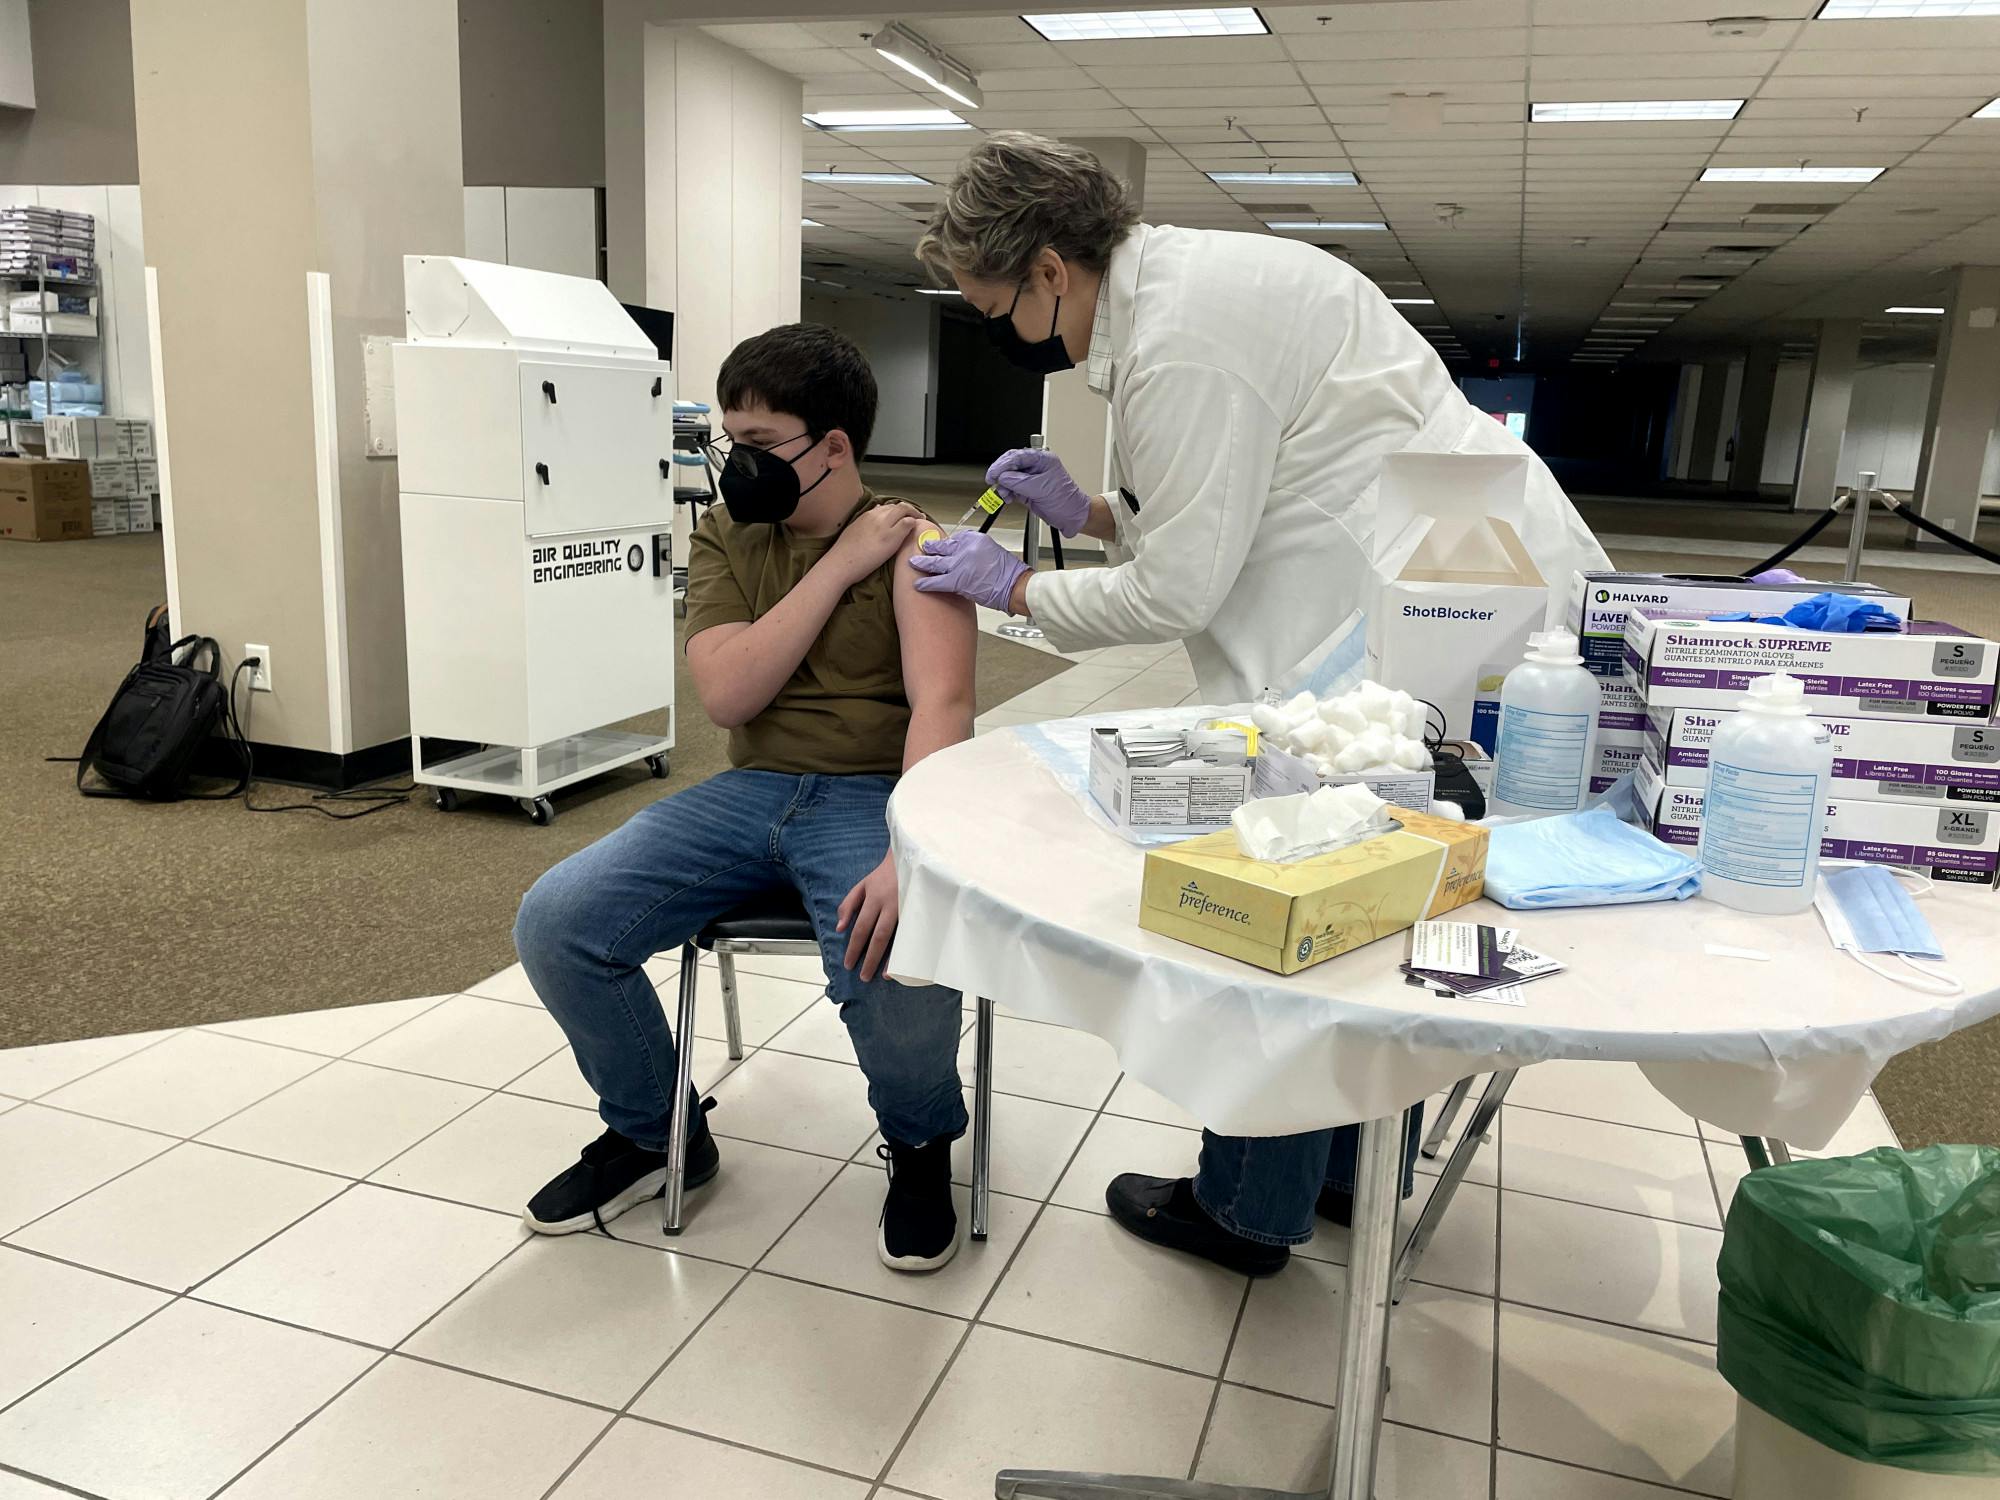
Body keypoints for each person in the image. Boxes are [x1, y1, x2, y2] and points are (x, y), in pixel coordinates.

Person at [908, 132, 1611, 1277]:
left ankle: (1247, 1206)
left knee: (1299, 900)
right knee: (1375, 900)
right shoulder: (1198, 283)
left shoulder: (1183, 338)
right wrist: (1094, 518)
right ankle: (1339, 1175)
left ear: (1048, 269)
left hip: (1393, 621)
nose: (1010, 338)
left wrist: (1020, 589)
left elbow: (1181, 583)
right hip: (1428, 598)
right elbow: (1226, 503)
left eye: (1000, 311)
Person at [513, 323, 977, 1272]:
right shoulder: (725, 534)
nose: (739, 467)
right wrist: (841, 565)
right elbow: (728, 693)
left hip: (873, 793)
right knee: (556, 921)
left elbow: (945, 704)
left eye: (763, 446)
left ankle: (922, 1142)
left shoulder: (922, 545)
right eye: (732, 442)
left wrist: (910, 850)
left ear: (834, 447)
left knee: (894, 952)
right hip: (748, 791)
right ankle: (658, 1132)